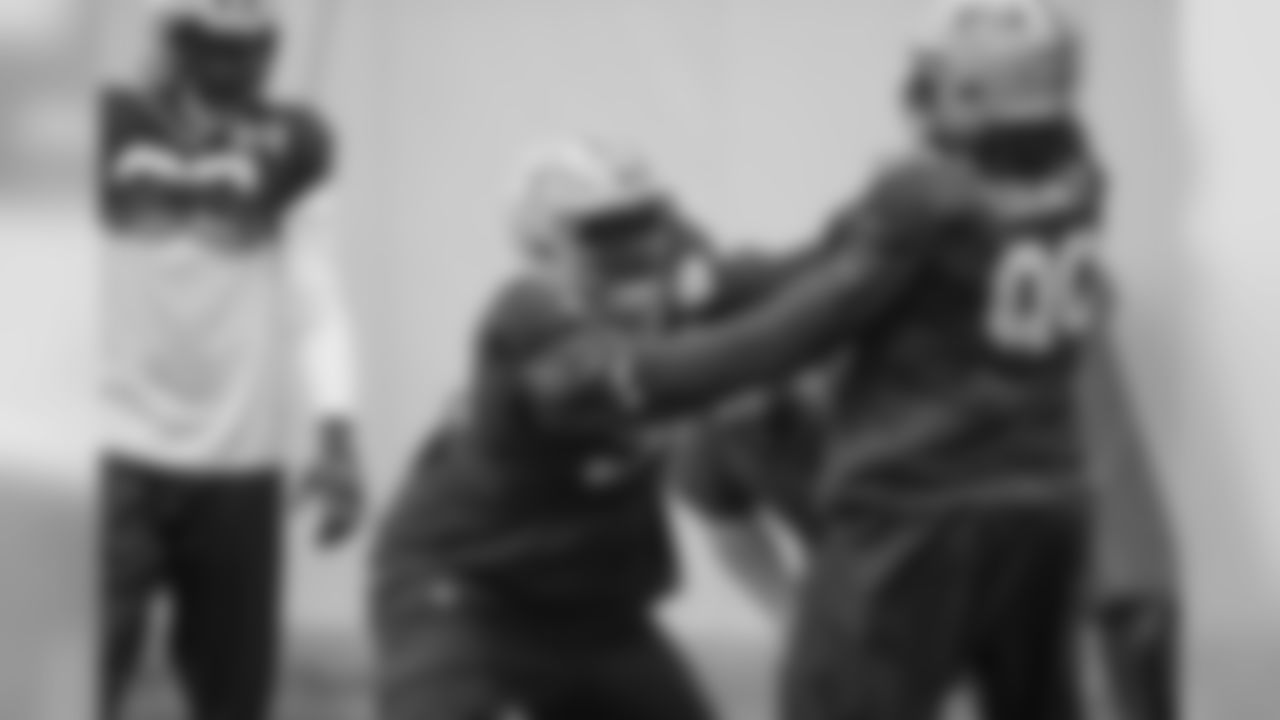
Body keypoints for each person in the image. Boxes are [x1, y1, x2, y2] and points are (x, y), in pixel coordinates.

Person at [370, 140, 722, 720]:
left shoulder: (677, 293)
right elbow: (679, 376)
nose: (632, 248)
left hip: (592, 609)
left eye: (642, 222)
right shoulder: (531, 316)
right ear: (545, 247)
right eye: (605, 230)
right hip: (474, 589)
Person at [98, 1, 365, 719]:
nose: (243, 64)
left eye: (256, 46)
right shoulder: (107, 125)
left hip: (238, 460)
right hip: (111, 447)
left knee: (235, 699)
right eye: (220, 45)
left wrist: (337, 437)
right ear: (178, 44)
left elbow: (318, 298)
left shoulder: (292, 141)